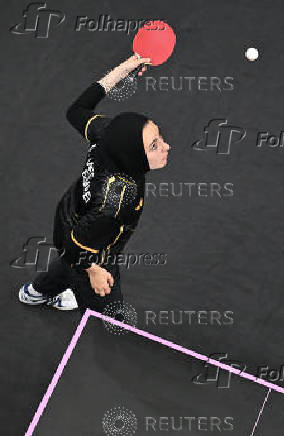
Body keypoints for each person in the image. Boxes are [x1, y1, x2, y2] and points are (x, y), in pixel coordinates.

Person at [18, 53, 170, 315]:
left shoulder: (106, 134)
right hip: (90, 246)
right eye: (154, 146)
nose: (166, 147)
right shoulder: (118, 201)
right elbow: (74, 245)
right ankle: (82, 295)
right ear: (133, 155)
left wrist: (127, 67)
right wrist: (94, 271)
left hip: (69, 211)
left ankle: (37, 292)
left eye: (158, 136)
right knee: (110, 304)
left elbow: (75, 110)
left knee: (68, 263)